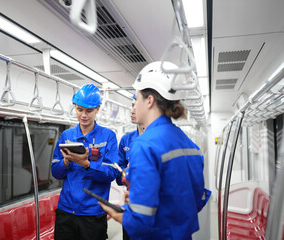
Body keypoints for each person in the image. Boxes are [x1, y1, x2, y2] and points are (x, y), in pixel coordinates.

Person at [99, 62, 211, 240]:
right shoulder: (191, 146)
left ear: (149, 100)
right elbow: (196, 200)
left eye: (137, 99)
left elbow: (139, 223)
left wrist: (114, 213)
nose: (134, 105)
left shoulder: (145, 145)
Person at [51, 84, 119, 240]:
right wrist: (67, 161)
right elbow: (55, 171)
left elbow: (111, 173)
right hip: (66, 211)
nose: (83, 115)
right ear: (75, 107)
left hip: (93, 214)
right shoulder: (66, 136)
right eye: (79, 109)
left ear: (98, 109)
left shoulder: (108, 136)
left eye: (89, 111)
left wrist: (86, 164)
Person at [116, 94, 145, 240]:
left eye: (135, 105)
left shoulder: (163, 139)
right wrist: (126, 173)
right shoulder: (126, 140)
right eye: (131, 106)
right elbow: (118, 177)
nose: (132, 110)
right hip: (130, 206)